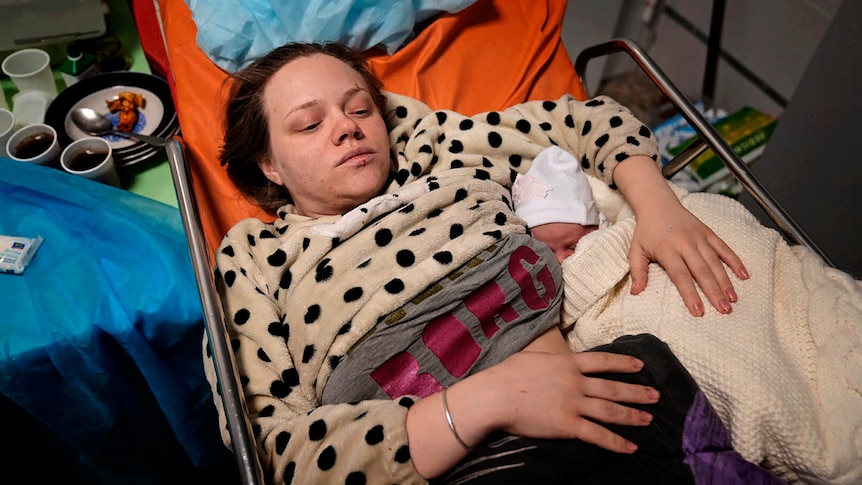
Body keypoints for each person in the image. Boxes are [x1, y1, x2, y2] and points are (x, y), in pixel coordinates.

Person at [204, 41, 758, 484]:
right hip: (439, 456)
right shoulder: (254, 259)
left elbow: (582, 121)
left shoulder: (437, 152)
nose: (347, 127)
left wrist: (661, 207)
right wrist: (483, 403)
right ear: (269, 164)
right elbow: (273, 454)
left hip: (596, 389)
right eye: (308, 124)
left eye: (359, 108)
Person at [513, 146, 862, 483]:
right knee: (732, 378)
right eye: (548, 250)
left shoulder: (620, 231)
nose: (562, 261)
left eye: (572, 245)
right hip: (662, 342)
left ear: (598, 225)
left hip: (695, 294)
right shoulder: (533, 288)